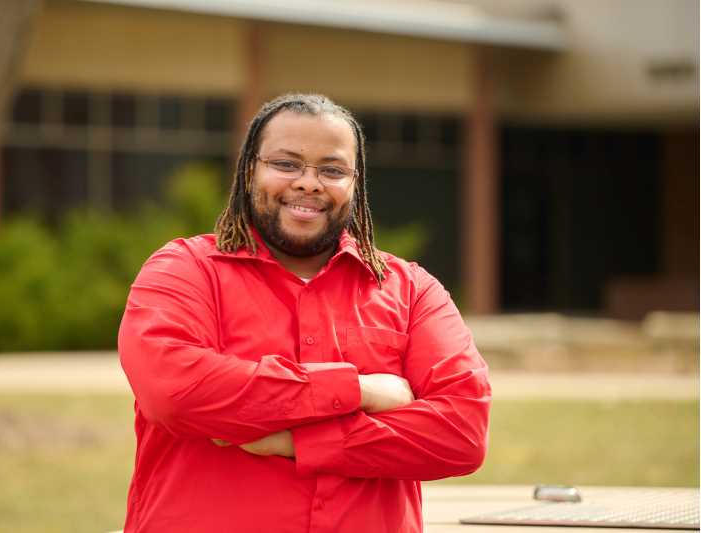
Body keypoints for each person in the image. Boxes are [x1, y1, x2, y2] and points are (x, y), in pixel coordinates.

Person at [118, 93, 491, 533]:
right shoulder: (185, 271)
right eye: (286, 164)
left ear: (356, 182)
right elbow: (176, 392)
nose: (308, 183)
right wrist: (359, 390)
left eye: (331, 170)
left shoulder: (411, 290)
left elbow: (461, 433)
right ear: (249, 170)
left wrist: (299, 441)